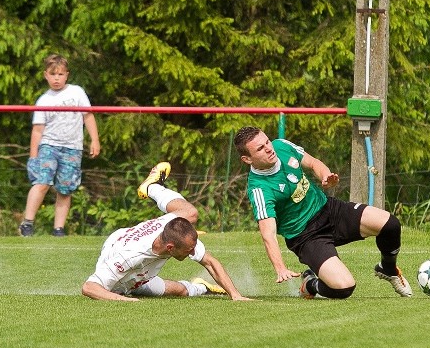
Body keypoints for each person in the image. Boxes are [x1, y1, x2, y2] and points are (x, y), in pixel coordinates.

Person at [233, 126, 412, 299]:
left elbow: (313, 163)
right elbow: (268, 234)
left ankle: (388, 269)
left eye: (267, 142)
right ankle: (310, 284)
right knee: (344, 287)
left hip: (329, 209)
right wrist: (280, 267)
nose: (268, 149)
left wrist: (325, 176)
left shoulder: (282, 146)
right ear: (247, 159)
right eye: (260, 149)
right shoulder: (259, 189)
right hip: (306, 236)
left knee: (390, 224)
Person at [82, 162, 251, 302]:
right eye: (189, 250)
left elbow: (210, 263)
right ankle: (126, 290)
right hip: (120, 261)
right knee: (122, 290)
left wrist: (236, 295)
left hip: (141, 266)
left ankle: (152, 187)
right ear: (170, 248)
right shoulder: (129, 256)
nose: (194, 252)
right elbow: (89, 287)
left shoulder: (178, 232)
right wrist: (126, 300)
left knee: (190, 213)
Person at [19, 54, 100, 237]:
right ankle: (27, 223)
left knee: (65, 188)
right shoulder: (44, 100)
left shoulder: (77, 92)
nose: (57, 78)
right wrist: (33, 155)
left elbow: (88, 116)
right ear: (45, 75)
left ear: (67, 75)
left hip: (73, 147)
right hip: (49, 146)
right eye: (52, 74)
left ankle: (58, 229)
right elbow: (37, 131)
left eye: (60, 74)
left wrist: (94, 140)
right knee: (42, 183)